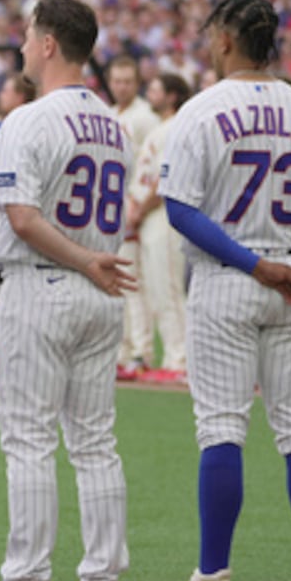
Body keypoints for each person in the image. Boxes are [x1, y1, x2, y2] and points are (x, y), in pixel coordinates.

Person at [141, 0, 291, 581]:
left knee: (222, 427)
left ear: (227, 39)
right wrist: (280, 258)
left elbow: (179, 210)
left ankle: (212, 580)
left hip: (232, 276)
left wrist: (253, 262)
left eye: (210, 34)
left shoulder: (202, 109)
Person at [0, 0, 135, 581]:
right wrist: (93, 261)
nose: (20, 45)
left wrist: (82, 259)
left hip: (45, 283)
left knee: (30, 439)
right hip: (101, 289)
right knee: (95, 442)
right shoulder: (114, 122)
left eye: (28, 35)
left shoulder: (28, 120)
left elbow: (24, 219)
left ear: (48, 44)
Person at [121, 71, 192, 378]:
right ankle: (172, 358)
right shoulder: (162, 128)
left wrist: (140, 209)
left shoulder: (176, 127)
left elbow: (167, 177)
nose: (150, 94)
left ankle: (182, 360)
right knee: (156, 292)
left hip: (163, 215)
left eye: (156, 89)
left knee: (169, 291)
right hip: (148, 215)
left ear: (172, 95)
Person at [107, 56, 162, 374]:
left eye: (127, 80)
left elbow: (150, 168)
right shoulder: (110, 114)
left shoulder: (145, 117)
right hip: (114, 206)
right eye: (116, 80)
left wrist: (139, 206)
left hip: (136, 203)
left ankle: (142, 350)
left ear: (136, 83)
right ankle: (124, 349)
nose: (121, 86)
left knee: (135, 282)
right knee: (117, 283)